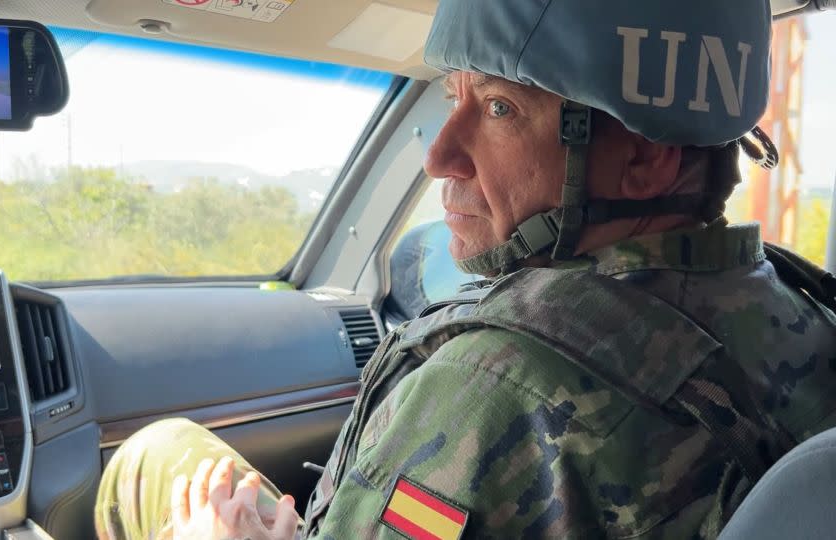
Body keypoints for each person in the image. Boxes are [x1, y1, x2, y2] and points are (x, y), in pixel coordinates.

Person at [95, 0, 836, 538]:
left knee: (154, 457)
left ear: (646, 156)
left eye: (500, 108)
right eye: (454, 100)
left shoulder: (497, 381)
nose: (440, 155)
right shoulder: (798, 310)